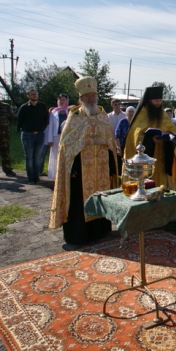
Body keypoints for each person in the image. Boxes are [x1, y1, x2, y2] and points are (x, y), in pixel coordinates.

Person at [49, 77, 117, 246]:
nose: (91, 99)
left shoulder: (103, 116)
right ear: (81, 98)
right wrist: (72, 167)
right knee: (79, 202)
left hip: (101, 168)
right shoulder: (75, 117)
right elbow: (67, 146)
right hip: (79, 169)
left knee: (101, 198)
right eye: (87, 96)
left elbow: (110, 141)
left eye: (93, 96)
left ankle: (100, 231)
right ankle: (79, 236)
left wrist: (112, 166)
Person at [123, 86, 176, 189]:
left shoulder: (162, 113)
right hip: (146, 158)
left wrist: (167, 136)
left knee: (161, 185)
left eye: (160, 100)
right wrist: (149, 138)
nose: (158, 103)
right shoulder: (142, 113)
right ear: (149, 100)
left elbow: (172, 129)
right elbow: (135, 134)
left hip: (161, 154)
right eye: (156, 100)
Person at [16, 88, 49, 184]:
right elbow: (19, 121)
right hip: (27, 135)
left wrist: (41, 128)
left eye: (36, 93)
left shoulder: (43, 106)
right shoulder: (24, 107)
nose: (35, 95)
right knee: (29, 157)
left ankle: (36, 176)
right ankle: (30, 177)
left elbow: (46, 120)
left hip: (40, 135)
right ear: (28, 96)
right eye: (32, 94)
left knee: (38, 156)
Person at [44, 94, 70, 180]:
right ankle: (55, 175)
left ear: (66, 101)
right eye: (60, 100)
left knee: (65, 155)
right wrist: (50, 139)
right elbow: (50, 126)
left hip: (66, 137)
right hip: (56, 137)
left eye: (64, 100)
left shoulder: (69, 111)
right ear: (58, 101)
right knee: (55, 156)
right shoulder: (53, 112)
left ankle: (65, 174)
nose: (62, 102)